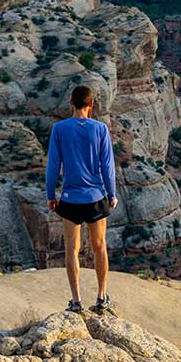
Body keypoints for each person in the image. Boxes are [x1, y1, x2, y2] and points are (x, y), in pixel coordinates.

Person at [45, 84, 118, 314]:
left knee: (71, 250)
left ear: (71, 103)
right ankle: (101, 297)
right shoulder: (100, 129)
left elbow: (53, 166)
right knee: (99, 247)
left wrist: (51, 195)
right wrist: (112, 193)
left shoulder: (59, 129)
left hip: (71, 198)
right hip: (96, 196)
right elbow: (107, 166)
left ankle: (76, 301)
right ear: (91, 104)